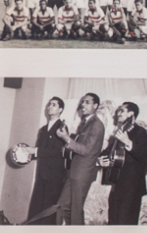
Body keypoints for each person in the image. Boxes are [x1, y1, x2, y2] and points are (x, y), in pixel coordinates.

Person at [53, 93, 104, 225]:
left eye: (87, 102)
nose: (83, 105)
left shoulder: (96, 125)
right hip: (75, 172)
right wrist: (67, 138)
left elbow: (86, 150)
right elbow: (79, 146)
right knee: (62, 206)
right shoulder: (86, 123)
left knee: (75, 210)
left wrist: (66, 139)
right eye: (82, 102)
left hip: (83, 174)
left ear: (95, 106)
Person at [18, 97, 67, 224]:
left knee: (48, 212)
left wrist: (35, 151)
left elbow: (59, 152)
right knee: (36, 210)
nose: (50, 107)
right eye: (49, 104)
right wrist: (23, 154)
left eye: (54, 105)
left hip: (54, 177)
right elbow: (38, 151)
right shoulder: (43, 130)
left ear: (60, 109)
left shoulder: (62, 128)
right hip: (41, 175)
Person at [101, 102, 147, 225]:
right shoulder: (119, 132)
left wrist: (127, 142)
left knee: (126, 222)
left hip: (132, 187)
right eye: (118, 111)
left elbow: (143, 156)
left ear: (131, 114)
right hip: (117, 185)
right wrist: (101, 161)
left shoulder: (140, 132)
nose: (118, 113)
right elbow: (106, 153)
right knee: (113, 221)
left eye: (121, 110)